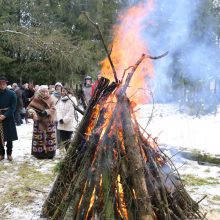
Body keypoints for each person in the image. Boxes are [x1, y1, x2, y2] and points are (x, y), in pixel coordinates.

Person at [27, 85, 56, 159]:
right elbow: (29, 108)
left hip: (49, 121)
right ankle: (39, 153)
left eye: (46, 91)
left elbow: (53, 109)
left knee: (49, 138)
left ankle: (50, 153)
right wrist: (33, 113)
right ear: (40, 92)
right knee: (38, 138)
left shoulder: (51, 99)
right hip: (38, 121)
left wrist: (46, 112)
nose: (45, 93)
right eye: (43, 91)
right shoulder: (36, 99)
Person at [0, 76, 18, 161]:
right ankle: (1, 153)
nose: (2, 85)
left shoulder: (12, 93)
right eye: (0, 83)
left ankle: (9, 153)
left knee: (9, 137)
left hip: (8, 117)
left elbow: (13, 107)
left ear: (6, 84)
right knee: (0, 136)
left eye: (3, 83)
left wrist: (5, 115)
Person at [56, 87, 78, 151]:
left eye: (64, 91)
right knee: (64, 141)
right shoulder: (60, 100)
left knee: (68, 140)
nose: (62, 92)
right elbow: (58, 110)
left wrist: (64, 120)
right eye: (62, 91)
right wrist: (60, 119)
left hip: (69, 124)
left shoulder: (72, 99)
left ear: (68, 91)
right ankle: (67, 154)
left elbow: (71, 112)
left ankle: (70, 153)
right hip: (61, 124)